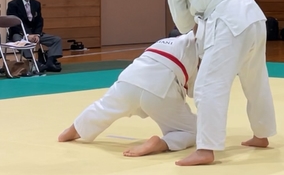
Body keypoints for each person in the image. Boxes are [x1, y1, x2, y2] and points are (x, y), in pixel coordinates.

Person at [163, 0, 276, 166]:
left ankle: (206, 149)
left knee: (208, 85)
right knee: (255, 79)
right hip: (254, 15)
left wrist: (192, 23)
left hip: (228, 20)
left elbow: (182, 21)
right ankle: (261, 134)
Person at [58, 31, 198, 158]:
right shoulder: (203, 51)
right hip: (160, 88)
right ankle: (162, 144)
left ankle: (73, 130)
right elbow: (197, 91)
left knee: (103, 108)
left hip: (129, 79)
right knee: (193, 131)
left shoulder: (166, 42)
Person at [6, 0, 63, 73]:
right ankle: (33, 62)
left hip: (34, 33)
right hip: (19, 33)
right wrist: (27, 35)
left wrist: (37, 34)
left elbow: (39, 21)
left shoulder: (36, 4)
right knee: (20, 41)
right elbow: (14, 23)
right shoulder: (13, 4)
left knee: (56, 39)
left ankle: (50, 61)